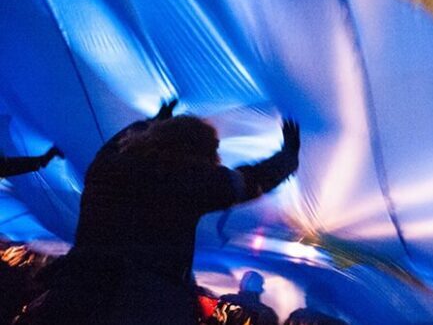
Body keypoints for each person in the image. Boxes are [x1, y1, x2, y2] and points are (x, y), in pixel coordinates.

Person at [16, 100, 300, 325]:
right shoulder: (187, 180)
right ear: (197, 150)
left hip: (76, 290)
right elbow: (248, 181)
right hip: (144, 302)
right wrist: (288, 158)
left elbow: (116, 142)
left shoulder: (106, 167)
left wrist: (154, 121)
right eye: (212, 150)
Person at [206, 271, 279, 325]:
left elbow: (212, 322)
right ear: (260, 289)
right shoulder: (268, 313)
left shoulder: (225, 301)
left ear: (241, 285)